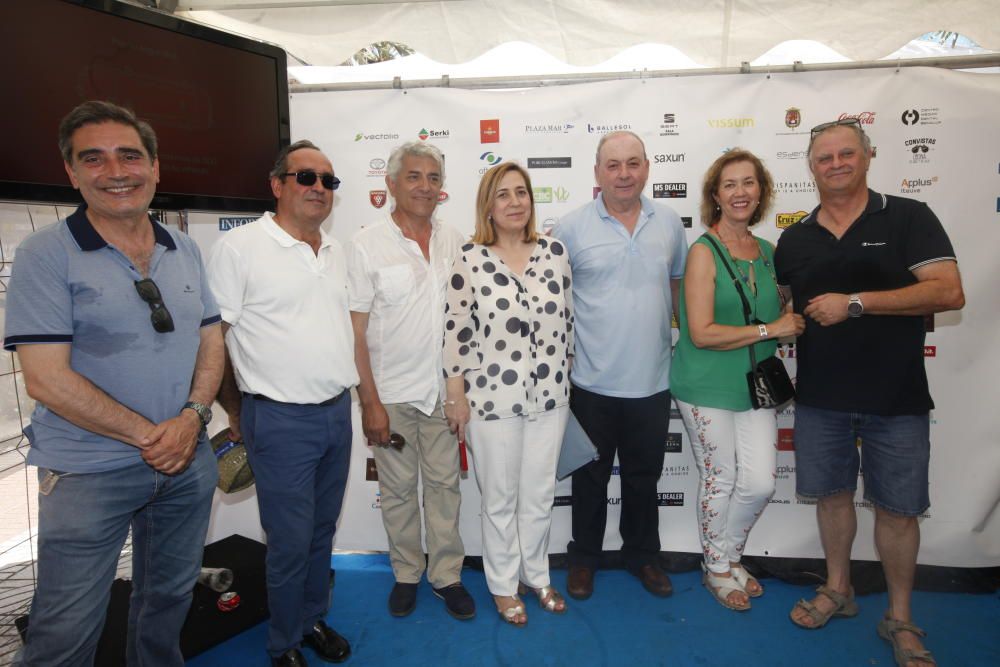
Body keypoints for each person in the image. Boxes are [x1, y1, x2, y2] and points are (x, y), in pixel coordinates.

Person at [4, 100, 223, 666]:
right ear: (72, 174)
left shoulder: (185, 248)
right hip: (86, 474)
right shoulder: (45, 254)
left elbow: (210, 339)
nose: (116, 171)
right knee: (67, 627)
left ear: (155, 167)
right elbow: (47, 380)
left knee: (168, 602)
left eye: (130, 156)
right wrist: (155, 437)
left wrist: (193, 420)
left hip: (185, 461)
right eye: (94, 159)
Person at [775, 119, 964, 667]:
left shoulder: (908, 216)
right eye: (824, 158)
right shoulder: (795, 238)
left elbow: (949, 291)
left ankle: (900, 617)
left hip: (896, 398)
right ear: (810, 167)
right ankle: (840, 589)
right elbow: (785, 305)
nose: (835, 164)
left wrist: (855, 302)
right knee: (832, 499)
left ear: (868, 156)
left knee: (899, 512)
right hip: (820, 398)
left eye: (845, 154)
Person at [207, 140, 359, 667]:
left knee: (321, 534)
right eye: (306, 177)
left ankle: (312, 619)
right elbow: (214, 340)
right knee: (290, 544)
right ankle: (283, 645)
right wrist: (236, 412)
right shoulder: (240, 248)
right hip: (278, 418)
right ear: (278, 185)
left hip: (338, 415)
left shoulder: (338, 251)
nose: (319, 188)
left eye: (329, 181)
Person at [552, 130, 687, 600]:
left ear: (647, 168)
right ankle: (584, 559)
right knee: (589, 480)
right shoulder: (569, 229)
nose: (624, 173)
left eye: (633, 163)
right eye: (613, 165)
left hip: (652, 381)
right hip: (590, 382)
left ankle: (642, 557)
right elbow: (553, 300)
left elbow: (677, 287)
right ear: (597, 173)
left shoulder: (669, 222)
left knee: (642, 479)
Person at [669, 149, 805, 611]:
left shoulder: (768, 254)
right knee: (720, 476)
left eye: (749, 183)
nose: (740, 192)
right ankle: (717, 568)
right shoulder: (703, 252)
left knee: (761, 484)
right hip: (704, 385)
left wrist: (787, 318)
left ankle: (726, 556)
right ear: (715, 195)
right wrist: (773, 329)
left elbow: (780, 312)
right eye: (730, 184)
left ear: (760, 191)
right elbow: (702, 332)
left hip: (756, 388)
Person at [443, 162, 574, 626]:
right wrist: (455, 396)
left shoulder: (555, 252)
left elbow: (569, 322)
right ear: (488, 207)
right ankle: (502, 585)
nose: (515, 202)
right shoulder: (470, 258)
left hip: (551, 399)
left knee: (538, 496)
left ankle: (537, 576)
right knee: (499, 499)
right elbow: (456, 334)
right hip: (491, 401)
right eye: (503, 195)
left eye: (521, 192)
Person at [348, 142, 474, 620]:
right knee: (398, 492)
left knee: (445, 488)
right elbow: (355, 332)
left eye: (433, 178)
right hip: (392, 397)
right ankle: (406, 573)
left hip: (443, 394)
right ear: (392, 184)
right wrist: (370, 403)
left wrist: (458, 391)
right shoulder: (366, 245)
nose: (425, 186)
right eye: (415, 177)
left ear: (443, 187)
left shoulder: (456, 239)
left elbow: (463, 322)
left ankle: (446, 575)